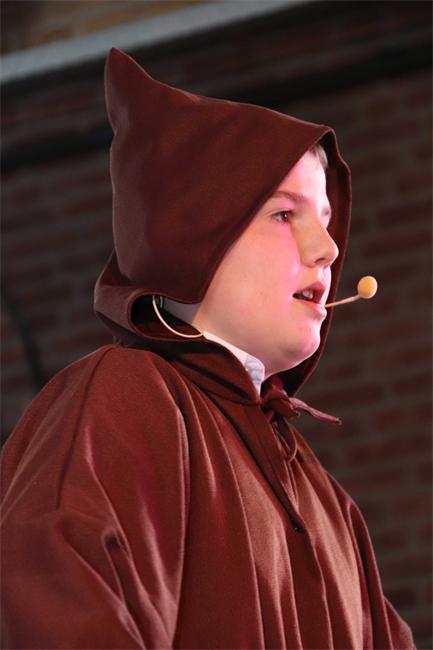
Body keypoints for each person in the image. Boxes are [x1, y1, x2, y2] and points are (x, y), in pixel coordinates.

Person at [1, 47, 416, 649]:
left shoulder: (329, 502)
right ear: (193, 235)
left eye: (326, 217)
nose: (328, 247)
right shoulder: (126, 400)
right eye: (284, 214)